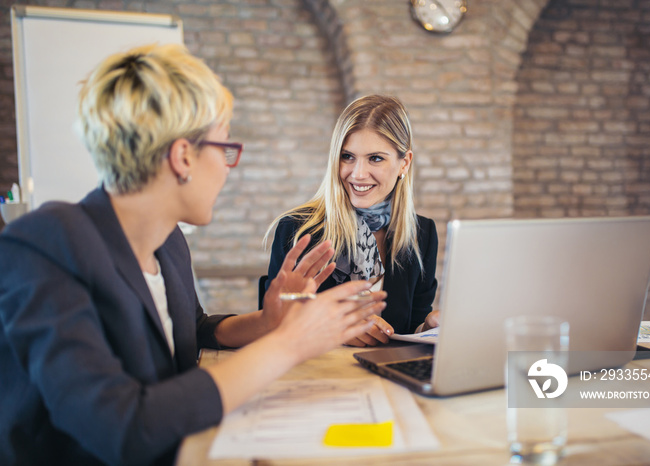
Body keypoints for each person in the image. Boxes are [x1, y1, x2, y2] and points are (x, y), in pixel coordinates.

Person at [0, 44, 386, 465]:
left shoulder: (168, 243)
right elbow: (120, 428)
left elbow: (193, 329)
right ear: (183, 156)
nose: (226, 167)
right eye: (224, 149)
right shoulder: (44, 243)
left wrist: (266, 322)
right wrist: (290, 343)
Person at [265, 95, 439, 346]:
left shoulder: (421, 233)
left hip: (389, 379)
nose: (357, 174)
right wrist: (335, 328)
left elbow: (411, 328)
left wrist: (428, 327)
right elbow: (273, 325)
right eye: (347, 157)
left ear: (404, 163)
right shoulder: (297, 229)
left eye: (375, 158)